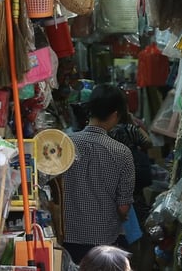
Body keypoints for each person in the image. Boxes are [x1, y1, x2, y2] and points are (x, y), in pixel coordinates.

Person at [62, 84, 135, 264]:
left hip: (68, 235)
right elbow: (123, 207)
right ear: (115, 115)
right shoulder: (122, 153)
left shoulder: (65, 143)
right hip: (104, 241)